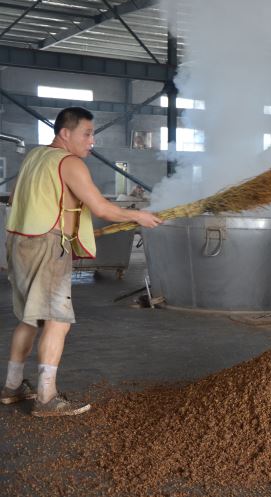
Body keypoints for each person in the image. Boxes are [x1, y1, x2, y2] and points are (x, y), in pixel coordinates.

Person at [1, 107, 162, 417]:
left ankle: (12, 386)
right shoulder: (69, 162)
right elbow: (102, 209)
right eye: (86, 134)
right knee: (57, 321)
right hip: (48, 246)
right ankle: (46, 398)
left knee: (30, 318)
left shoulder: (35, 157)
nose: (91, 141)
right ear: (65, 133)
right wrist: (138, 215)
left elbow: (13, 200)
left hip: (19, 242)